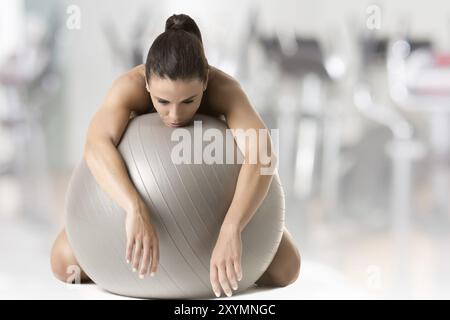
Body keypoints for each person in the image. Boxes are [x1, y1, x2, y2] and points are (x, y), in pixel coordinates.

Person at [50, 13, 300, 298]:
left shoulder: (225, 90)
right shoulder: (129, 86)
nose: (175, 115)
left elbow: (263, 155)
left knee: (287, 269)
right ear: (146, 82)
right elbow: (96, 145)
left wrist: (232, 228)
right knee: (63, 262)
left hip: (214, 210)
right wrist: (134, 207)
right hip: (128, 209)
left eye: (189, 101)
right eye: (163, 101)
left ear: (205, 80)